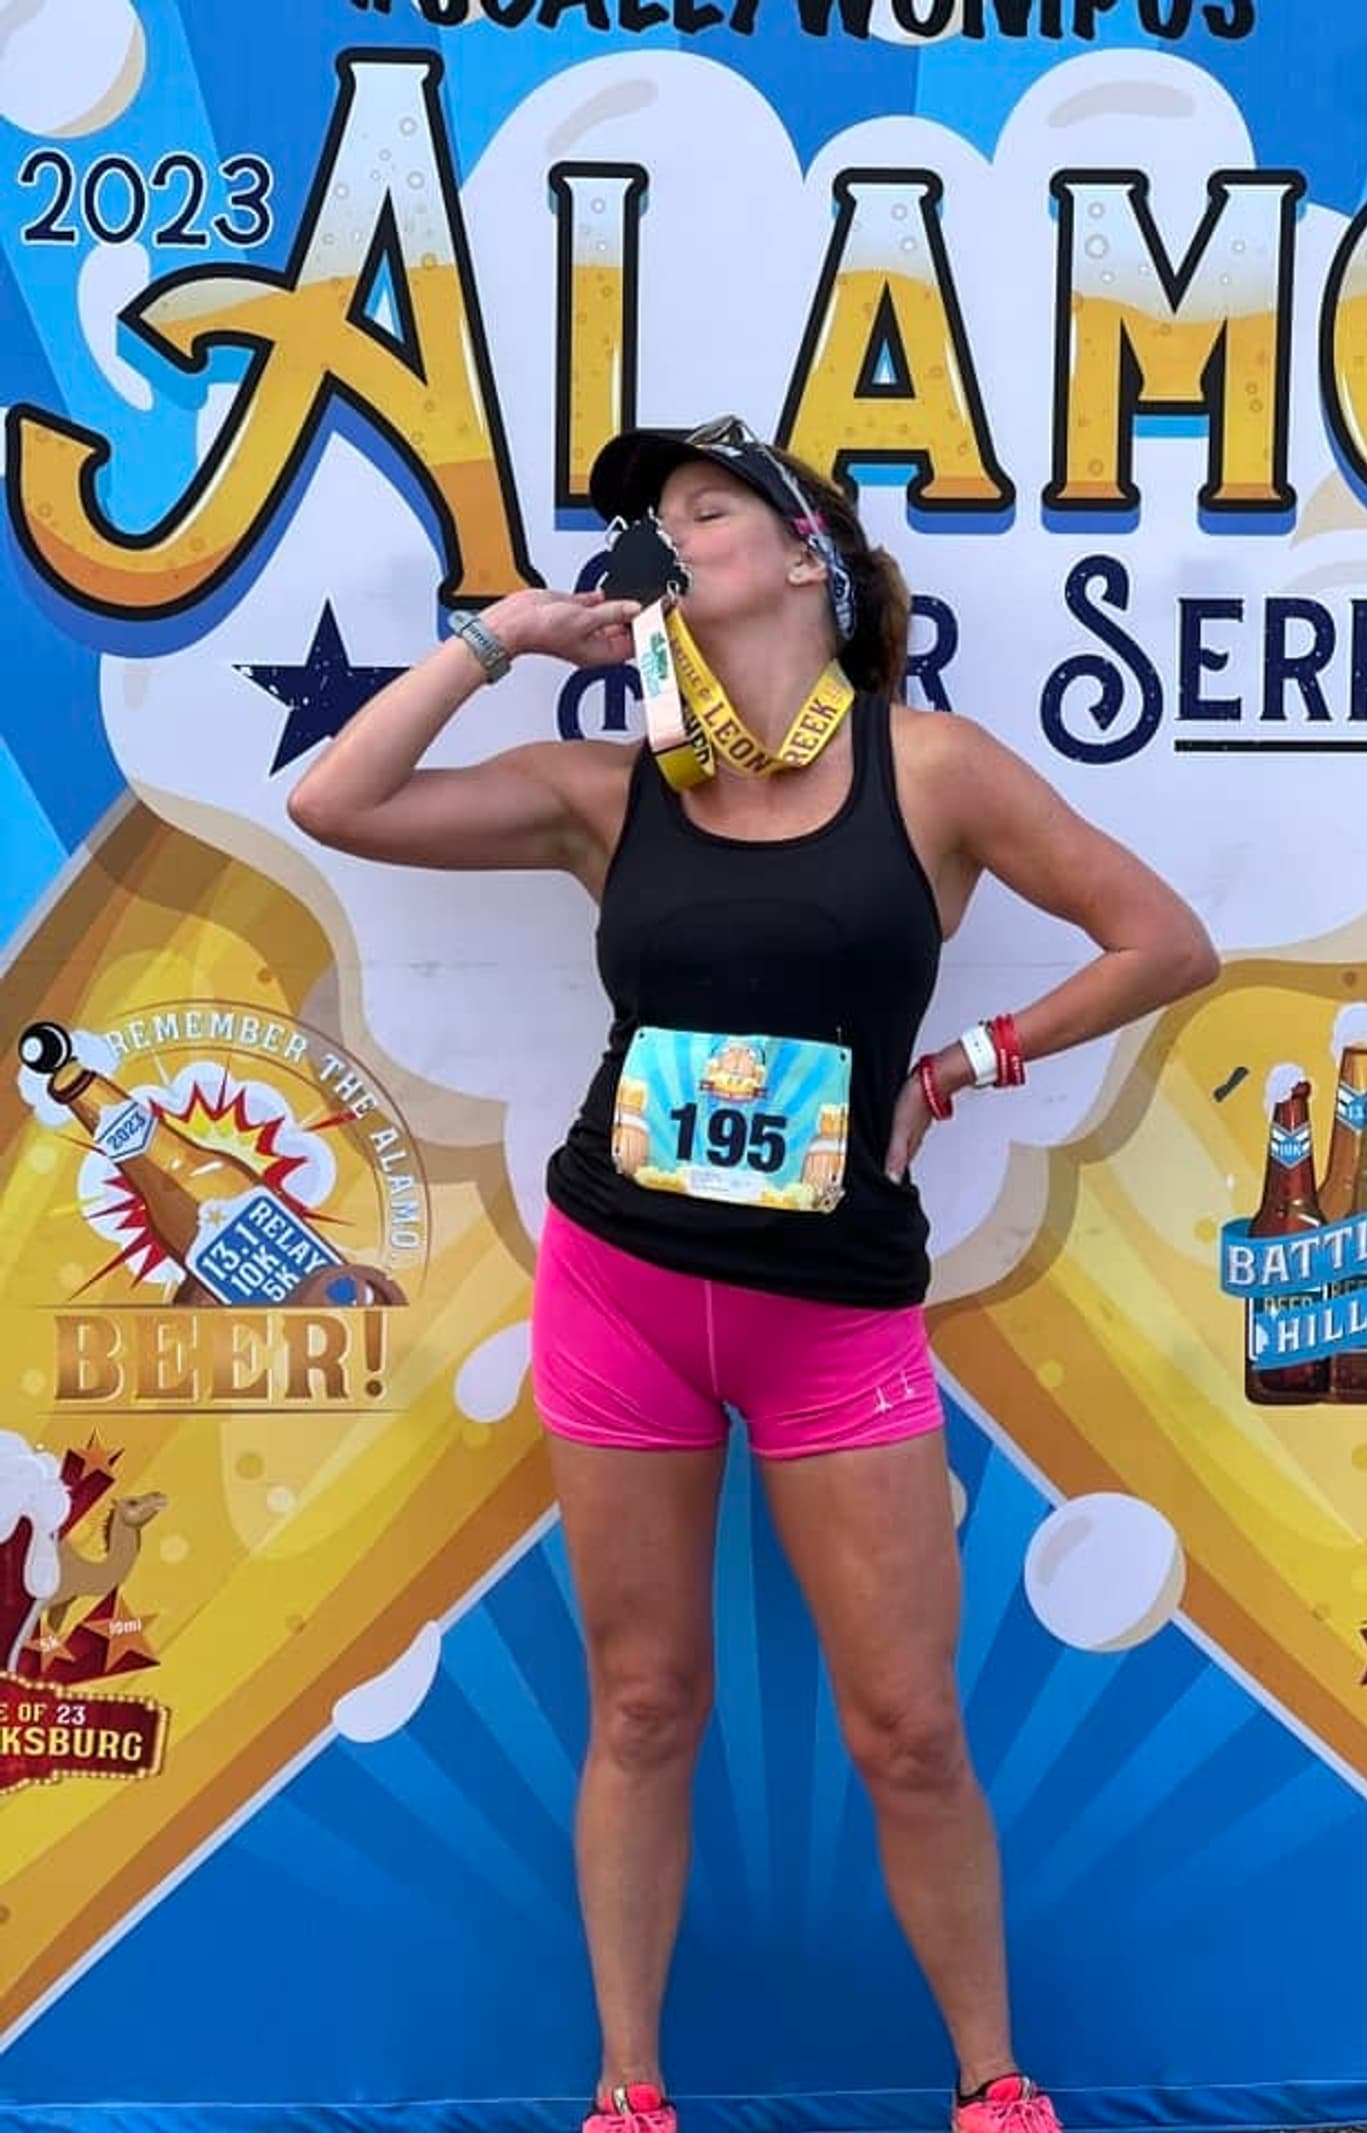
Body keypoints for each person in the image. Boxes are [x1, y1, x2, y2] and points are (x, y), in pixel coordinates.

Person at [288, 417, 1219, 2133]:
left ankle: (994, 2089)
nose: (667, 539)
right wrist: (502, 640)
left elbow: (1167, 937)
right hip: (622, 1284)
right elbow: (333, 798)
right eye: (653, 523)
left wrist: (960, 1067)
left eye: (704, 512)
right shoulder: (607, 786)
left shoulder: (930, 769)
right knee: (644, 1701)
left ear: (806, 555)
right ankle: (628, 2094)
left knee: (906, 1728)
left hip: (835, 1308)